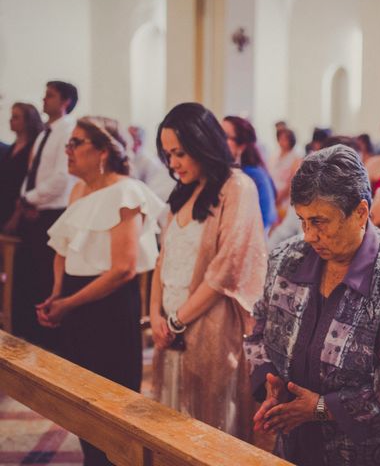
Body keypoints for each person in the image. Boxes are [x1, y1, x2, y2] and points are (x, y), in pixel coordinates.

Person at [244, 145, 380, 465]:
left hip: (376, 450)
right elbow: (257, 328)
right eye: (302, 220)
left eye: (320, 221)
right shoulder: (286, 259)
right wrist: (270, 384)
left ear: (361, 212)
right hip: (303, 442)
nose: (308, 236)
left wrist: (322, 407)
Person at [38, 116, 164, 465]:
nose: (68, 150)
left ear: (104, 151)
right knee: (81, 402)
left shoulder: (126, 192)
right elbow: (64, 249)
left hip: (108, 307)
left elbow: (123, 268)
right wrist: (56, 295)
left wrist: (68, 303)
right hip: (75, 303)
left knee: (114, 405)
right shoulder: (78, 190)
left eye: (76, 143)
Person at [150, 103, 267, 442]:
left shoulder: (237, 186)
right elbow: (164, 258)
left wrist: (176, 320)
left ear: (203, 143)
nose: (173, 163)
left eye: (180, 153)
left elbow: (227, 267)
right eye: (168, 154)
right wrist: (155, 314)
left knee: (209, 429)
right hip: (171, 330)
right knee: (172, 426)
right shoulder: (185, 190)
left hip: (211, 329)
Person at [11, 81, 77, 348]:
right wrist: (26, 199)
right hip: (35, 211)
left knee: (44, 279)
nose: (44, 99)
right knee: (26, 278)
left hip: (53, 212)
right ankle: (26, 336)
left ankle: (45, 340)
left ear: (65, 101)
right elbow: (33, 172)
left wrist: (30, 198)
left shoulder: (69, 130)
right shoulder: (44, 134)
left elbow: (62, 177)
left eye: (50, 95)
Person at [222, 115, 278, 231]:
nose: (218, 140)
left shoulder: (255, 176)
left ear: (241, 146)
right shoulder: (220, 173)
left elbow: (263, 222)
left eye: (225, 136)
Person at [0, 102, 44, 228]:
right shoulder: (10, 148)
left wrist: (18, 213)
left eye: (16, 117)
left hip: (17, 204)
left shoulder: (33, 147)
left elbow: (29, 180)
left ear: (27, 121)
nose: (11, 120)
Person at [128, 125, 175, 201]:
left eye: (129, 139)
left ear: (139, 143)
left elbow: (152, 193)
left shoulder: (150, 162)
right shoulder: (130, 158)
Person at [268, 127, 301, 216]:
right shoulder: (274, 155)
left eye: (285, 139)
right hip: (272, 193)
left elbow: (292, 181)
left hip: (285, 198)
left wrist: (279, 198)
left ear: (291, 141)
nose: (282, 142)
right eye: (280, 139)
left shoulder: (295, 158)